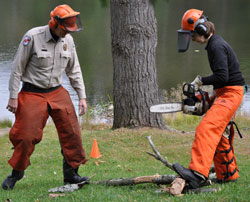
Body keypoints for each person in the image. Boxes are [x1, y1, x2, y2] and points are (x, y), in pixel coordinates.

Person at [2, 4, 89, 190]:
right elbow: (17, 68)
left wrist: (82, 97)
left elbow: (74, 70)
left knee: (72, 132)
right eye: (65, 29)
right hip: (32, 92)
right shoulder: (32, 37)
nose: (67, 33)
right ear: (55, 24)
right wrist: (12, 96)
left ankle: (71, 174)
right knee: (25, 136)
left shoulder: (69, 41)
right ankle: (16, 173)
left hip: (57, 91)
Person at [173, 9, 245, 189]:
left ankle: (198, 174)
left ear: (202, 30)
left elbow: (222, 76)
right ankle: (228, 174)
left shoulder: (216, 46)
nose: (192, 39)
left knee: (207, 128)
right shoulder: (214, 44)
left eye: (192, 34)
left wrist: (200, 81)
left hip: (230, 93)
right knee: (219, 133)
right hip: (225, 92)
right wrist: (205, 96)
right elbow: (222, 80)